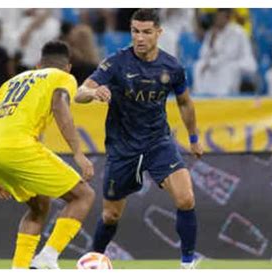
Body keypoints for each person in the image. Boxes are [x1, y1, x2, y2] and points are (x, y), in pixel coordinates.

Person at [75, 8, 203, 268]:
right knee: (110, 216)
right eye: (135, 31)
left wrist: (193, 137)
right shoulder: (116, 63)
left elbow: (185, 103)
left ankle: (187, 265)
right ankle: (92, 263)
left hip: (158, 142)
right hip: (123, 148)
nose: (140, 38)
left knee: (186, 198)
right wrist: (94, 92)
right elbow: (80, 93)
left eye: (146, 32)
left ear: (158, 32)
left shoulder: (172, 66)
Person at [0, 40, 95, 269]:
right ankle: (48, 258)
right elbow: (60, 105)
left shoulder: (12, 82)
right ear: (68, 67)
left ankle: (19, 267)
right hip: (19, 146)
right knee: (83, 195)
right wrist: (78, 153)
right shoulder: (63, 77)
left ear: (38, 65)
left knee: (39, 206)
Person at [192, 8, 256, 96]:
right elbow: (203, 55)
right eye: (217, 16)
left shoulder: (238, 32)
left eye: (220, 16)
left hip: (236, 64)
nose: (217, 19)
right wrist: (211, 44)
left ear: (228, 17)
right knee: (199, 66)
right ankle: (201, 97)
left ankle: (222, 98)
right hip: (216, 64)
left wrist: (214, 63)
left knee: (226, 69)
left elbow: (236, 56)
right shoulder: (211, 32)